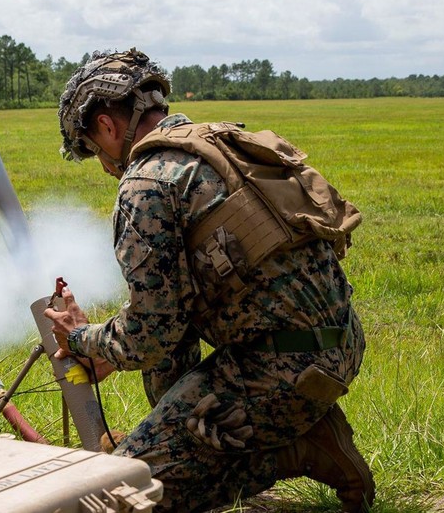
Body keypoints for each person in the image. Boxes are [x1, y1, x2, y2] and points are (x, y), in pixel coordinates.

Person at [44, 48, 375, 512]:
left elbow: (150, 339)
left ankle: (298, 449)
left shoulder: (146, 183)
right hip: (335, 349)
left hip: (279, 373)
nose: (102, 164)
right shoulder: (215, 145)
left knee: (115, 498)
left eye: (95, 150)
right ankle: (225, 444)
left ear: (106, 126)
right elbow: (171, 322)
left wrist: (82, 338)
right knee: (163, 418)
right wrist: (110, 350)